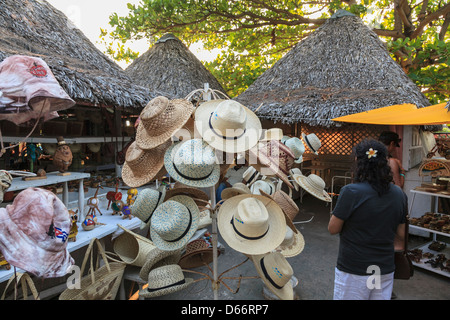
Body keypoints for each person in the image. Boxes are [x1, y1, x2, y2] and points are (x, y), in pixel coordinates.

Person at [328, 139, 408, 300]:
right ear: (385, 162)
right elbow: (401, 233)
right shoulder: (399, 194)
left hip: (354, 268)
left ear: (358, 161)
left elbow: (333, 228)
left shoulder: (350, 192)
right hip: (383, 268)